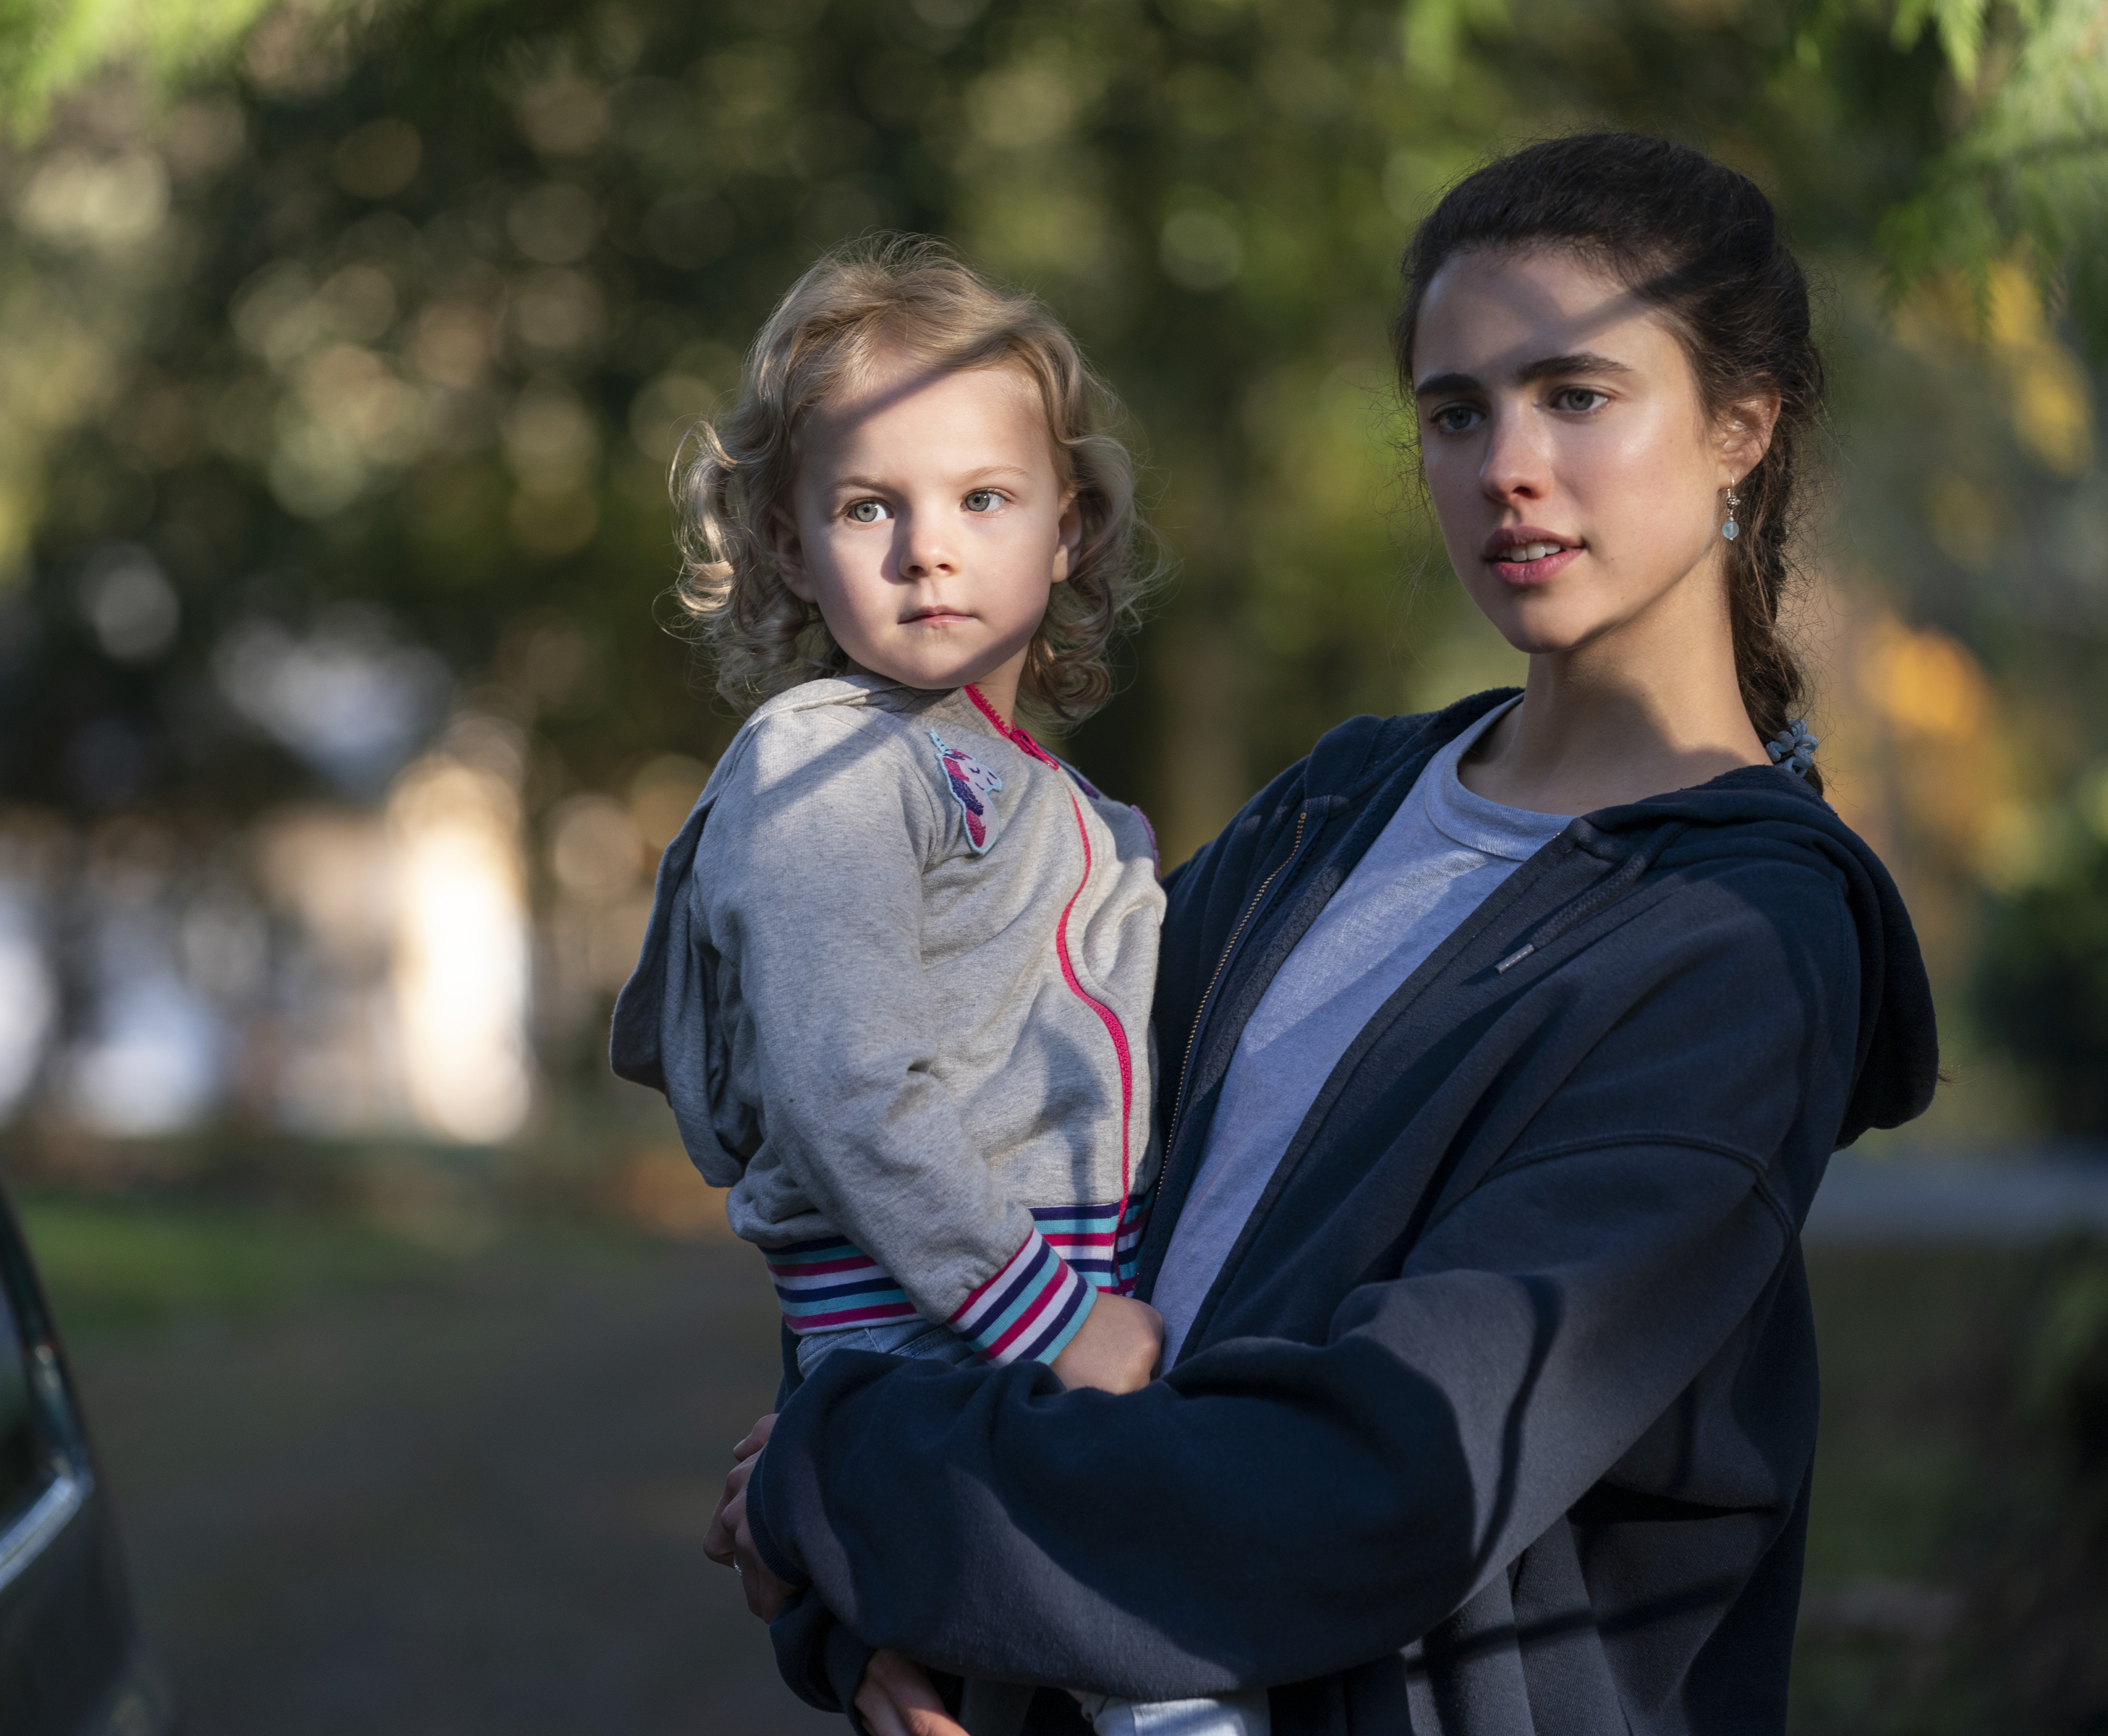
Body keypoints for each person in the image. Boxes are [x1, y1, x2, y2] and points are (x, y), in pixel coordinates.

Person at [705, 132, 1940, 1736]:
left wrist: (853, 1488)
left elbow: (1386, 1473)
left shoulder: (1738, 943)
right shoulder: (1335, 808)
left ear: (1740, 430)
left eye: (1576, 394)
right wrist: (857, 1596)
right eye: (1454, 410)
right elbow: (986, 1171)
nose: (1505, 461)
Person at [613, 239, 1212, 1733]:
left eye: (983, 500)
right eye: (870, 505)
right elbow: (847, 1088)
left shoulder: (1072, 810)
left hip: (1016, 1348)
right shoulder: (836, 762)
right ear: (788, 535)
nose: (925, 548)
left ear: (1069, 529)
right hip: (950, 1352)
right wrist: (1058, 1327)